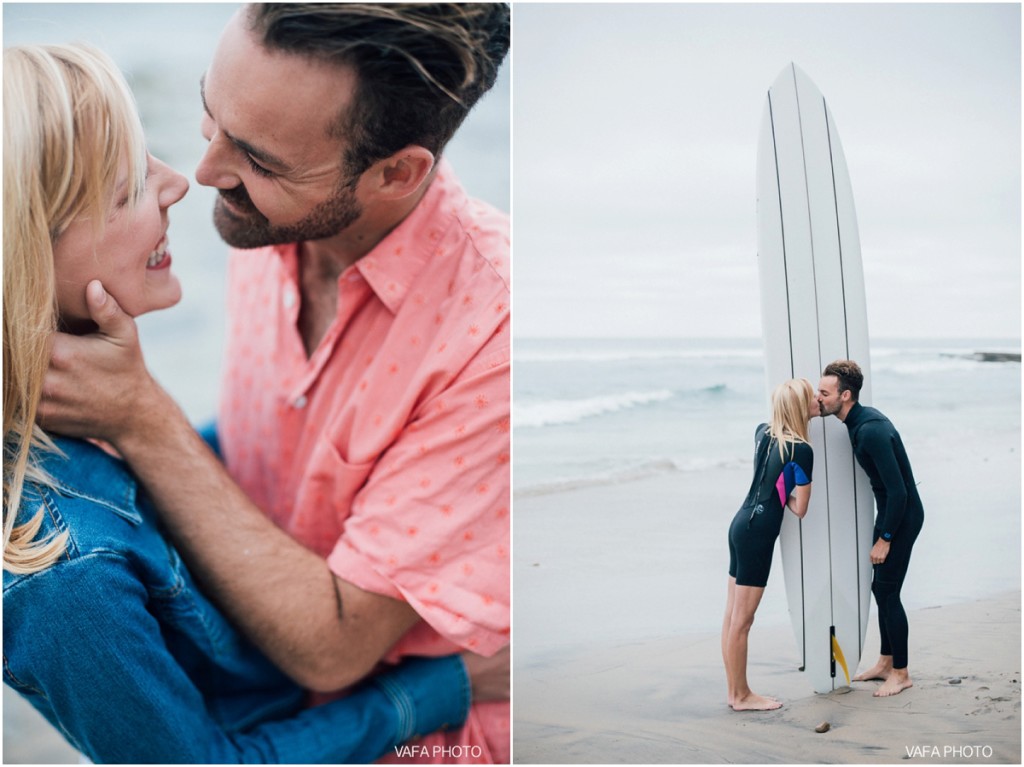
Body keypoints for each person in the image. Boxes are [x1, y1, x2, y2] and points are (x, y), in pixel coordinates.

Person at [3, 41, 510, 764]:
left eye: (263, 160)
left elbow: (192, 478)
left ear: (395, 173)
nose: (191, 179)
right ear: (24, 257)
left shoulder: (87, 427)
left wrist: (145, 420)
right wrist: (441, 686)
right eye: (125, 188)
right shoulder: (62, 580)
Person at [818, 359, 924, 698]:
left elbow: (898, 492)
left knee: (888, 592)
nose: (818, 398)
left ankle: (902, 673)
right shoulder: (857, 422)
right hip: (892, 513)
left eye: (824, 392)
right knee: (882, 591)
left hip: (902, 516)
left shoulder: (870, 430)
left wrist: (885, 538)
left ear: (845, 395)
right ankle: (884, 662)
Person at [723, 378, 816, 711]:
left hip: (739, 524)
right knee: (743, 622)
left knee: (732, 618)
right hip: (759, 534)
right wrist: (782, 495)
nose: (817, 400)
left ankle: (735, 692)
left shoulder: (762, 432)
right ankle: (741, 696)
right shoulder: (801, 451)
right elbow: (800, 508)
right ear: (800, 407)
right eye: (811, 398)